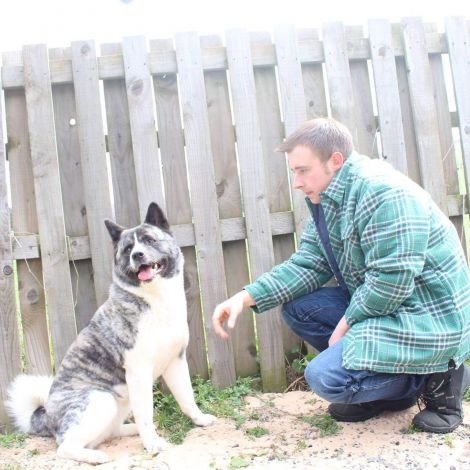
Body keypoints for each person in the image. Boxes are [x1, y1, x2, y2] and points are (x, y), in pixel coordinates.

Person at [212, 117, 470, 434]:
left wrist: (347, 323)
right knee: (299, 308)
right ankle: (385, 390)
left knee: (325, 378)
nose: (296, 181)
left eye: (302, 170)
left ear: (335, 160)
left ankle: (438, 376)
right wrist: (245, 296)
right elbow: (309, 262)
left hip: (427, 318)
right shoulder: (333, 195)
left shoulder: (383, 194)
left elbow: (392, 281)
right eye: (294, 171)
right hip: (391, 307)